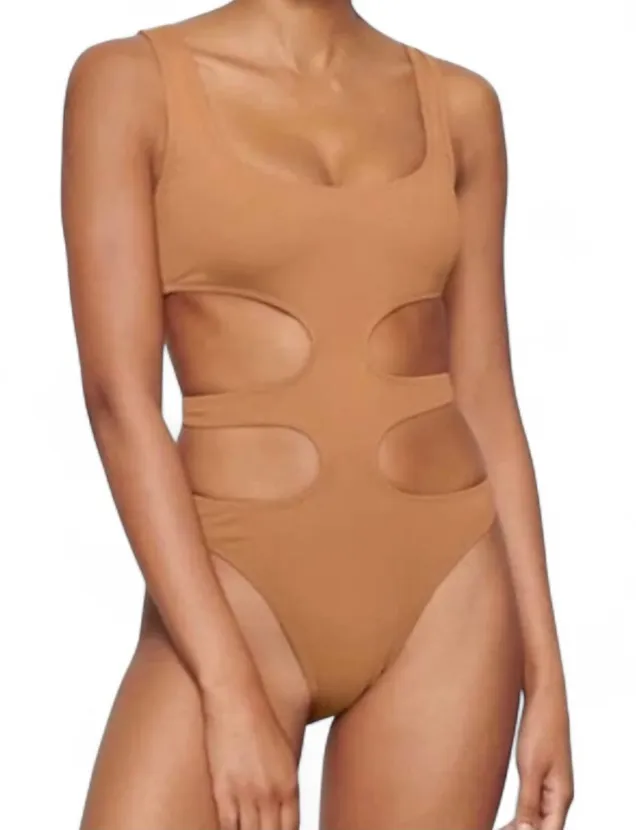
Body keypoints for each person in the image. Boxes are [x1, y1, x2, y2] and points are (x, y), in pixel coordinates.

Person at [61, 1, 573, 828]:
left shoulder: (460, 106)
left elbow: (484, 391)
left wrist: (545, 678)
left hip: (447, 596)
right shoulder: (128, 85)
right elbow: (118, 400)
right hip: (234, 590)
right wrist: (227, 690)